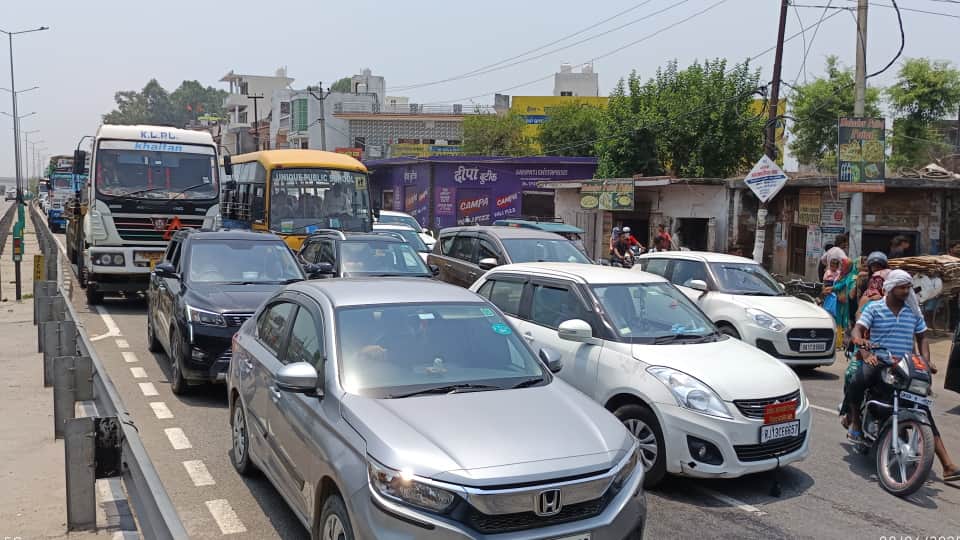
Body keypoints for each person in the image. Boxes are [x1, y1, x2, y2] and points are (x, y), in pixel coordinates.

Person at [848, 270, 959, 483]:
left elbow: (922, 338)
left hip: (905, 365)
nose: (906, 291)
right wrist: (865, 350)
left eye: (908, 287)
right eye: (902, 287)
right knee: (857, 380)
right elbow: (857, 331)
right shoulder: (875, 308)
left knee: (922, 406)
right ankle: (854, 422)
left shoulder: (912, 313)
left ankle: (947, 465)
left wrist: (925, 362)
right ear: (891, 287)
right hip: (879, 360)